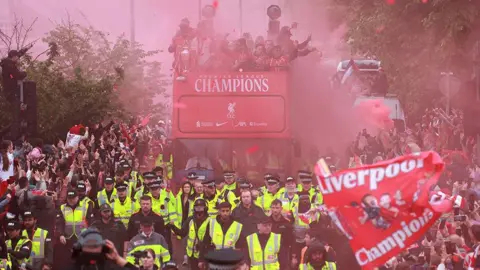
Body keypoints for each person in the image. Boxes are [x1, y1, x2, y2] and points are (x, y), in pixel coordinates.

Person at [54, 189, 95, 269]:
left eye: (73, 198)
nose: (71, 200)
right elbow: (59, 223)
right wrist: (61, 235)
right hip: (67, 240)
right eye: (69, 198)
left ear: (77, 197)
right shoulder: (62, 208)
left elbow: (91, 222)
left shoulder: (85, 206)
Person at [200, 202, 246, 266]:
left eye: (227, 211)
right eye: (223, 211)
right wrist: (201, 260)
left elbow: (242, 246)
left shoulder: (238, 226)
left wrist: (242, 262)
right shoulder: (212, 223)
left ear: (230, 211)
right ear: (219, 212)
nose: (225, 213)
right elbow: (205, 242)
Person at [68, 228, 136, 270]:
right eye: (89, 246)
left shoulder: (107, 266)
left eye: (95, 246)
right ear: (80, 248)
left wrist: (117, 258)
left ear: (103, 248)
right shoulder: (76, 266)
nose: (93, 251)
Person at [170, 198, 211, 270]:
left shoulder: (210, 221)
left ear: (205, 208)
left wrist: (201, 259)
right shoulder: (190, 219)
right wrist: (172, 226)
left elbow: (207, 241)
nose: (199, 209)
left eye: (201, 207)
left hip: (204, 255)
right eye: (197, 207)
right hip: (191, 255)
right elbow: (182, 233)